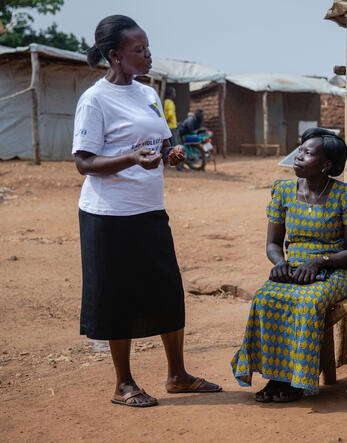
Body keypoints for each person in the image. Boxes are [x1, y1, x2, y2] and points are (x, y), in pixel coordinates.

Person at [73, 15, 221, 408]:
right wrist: (130, 158)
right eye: (138, 50)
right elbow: (84, 163)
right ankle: (124, 384)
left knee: (167, 291)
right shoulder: (95, 99)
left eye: (148, 47)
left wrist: (169, 154)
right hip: (107, 215)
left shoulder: (149, 94)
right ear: (115, 56)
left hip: (150, 209)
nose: (147, 55)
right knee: (115, 298)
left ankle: (177, 376)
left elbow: (160, 146)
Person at [230, 128, 347, 402]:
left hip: (334, 270)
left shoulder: (345, 196)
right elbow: (273, 244)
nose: (298, 157)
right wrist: (280, 262)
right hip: (293, 268)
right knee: (265, 298)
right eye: (299, 150)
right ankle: (276, 376)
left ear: (327, 165)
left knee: (307, 301)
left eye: (307, 153)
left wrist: (318, 262)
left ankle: (296, 380)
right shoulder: (283, 192)